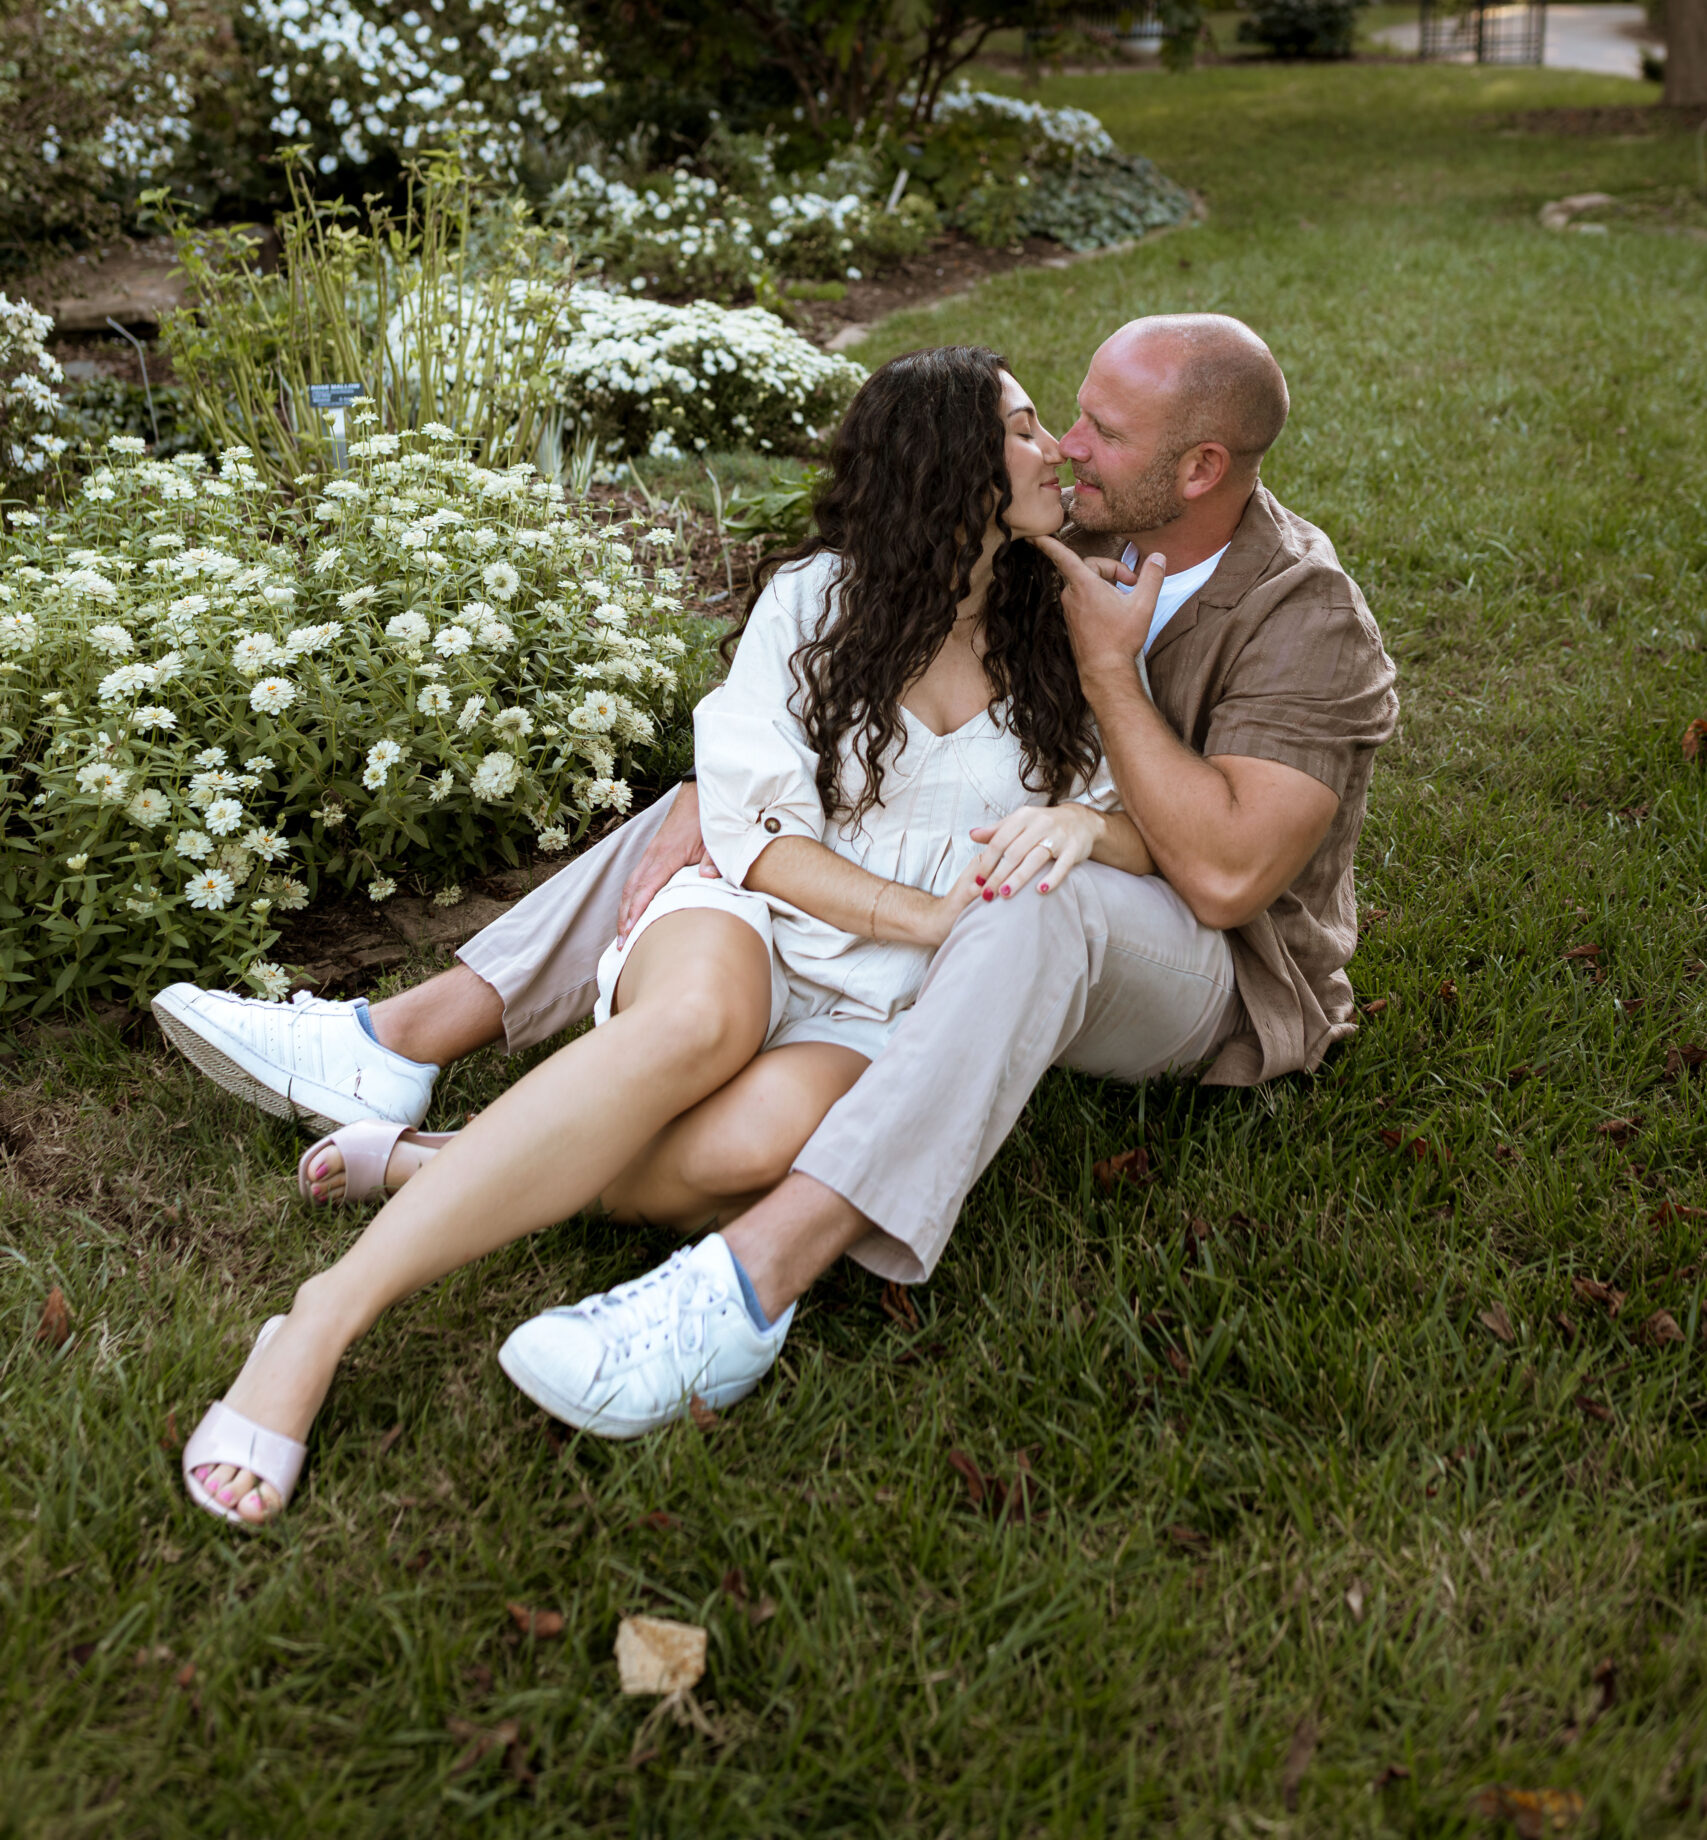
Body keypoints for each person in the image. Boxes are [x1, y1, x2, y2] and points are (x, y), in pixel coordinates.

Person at [161, 310, 1398, 1451]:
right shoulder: (995, 554)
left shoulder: (1246, 611)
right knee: (697, 972)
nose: (1067, 449)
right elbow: (794, 749)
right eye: (1043, 422)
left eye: (1095, 432)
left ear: (1199, 470)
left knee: (740, 1138)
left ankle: (457, 1155)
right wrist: (734, 794)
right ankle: (336, 1270)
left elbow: (1209, 864)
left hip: (1113, 958)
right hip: (820, 917)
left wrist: (1100, 735)